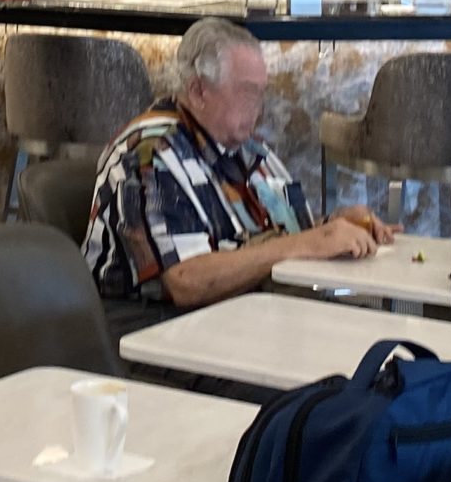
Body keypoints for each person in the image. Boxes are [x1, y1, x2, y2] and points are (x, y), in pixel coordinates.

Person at [85, 17, 395, 328]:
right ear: (198, 91)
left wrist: (334, 226)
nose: (259, 108)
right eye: (248, 93)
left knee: (374, 345)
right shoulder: (152, 153)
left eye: (261, 93)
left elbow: (267, 236)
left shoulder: (244, 147)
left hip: (243, 314)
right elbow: (187, 280)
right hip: (158, 327)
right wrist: (310, 243)